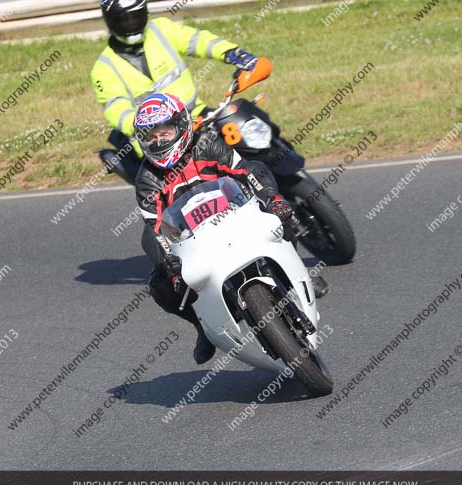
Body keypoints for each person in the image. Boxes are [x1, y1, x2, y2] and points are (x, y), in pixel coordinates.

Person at [133, 93, 324, 364]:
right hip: (194, 238)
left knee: (270, 192)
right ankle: (202, 327)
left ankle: (296, 273)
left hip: (238, 212)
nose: (159, 141)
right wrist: (170, 262)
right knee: (158, 284)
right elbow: (154, 228)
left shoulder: (207, 144)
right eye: (150, 137)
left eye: (164, 132)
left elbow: (245, 172)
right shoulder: (147, 180)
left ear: (181, 126)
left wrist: (272, 198)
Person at [91, 0, 262, 180]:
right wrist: (151, 125)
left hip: (197, 117)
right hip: (158, 140)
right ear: (111, 21)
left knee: (248, 130)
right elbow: (116, 110)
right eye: (125, 20)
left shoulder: (161, 29)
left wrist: (232, 53)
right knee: (191, 185)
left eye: (136, 16)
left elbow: (197, 41)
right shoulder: (104, 68)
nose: (132, 23)